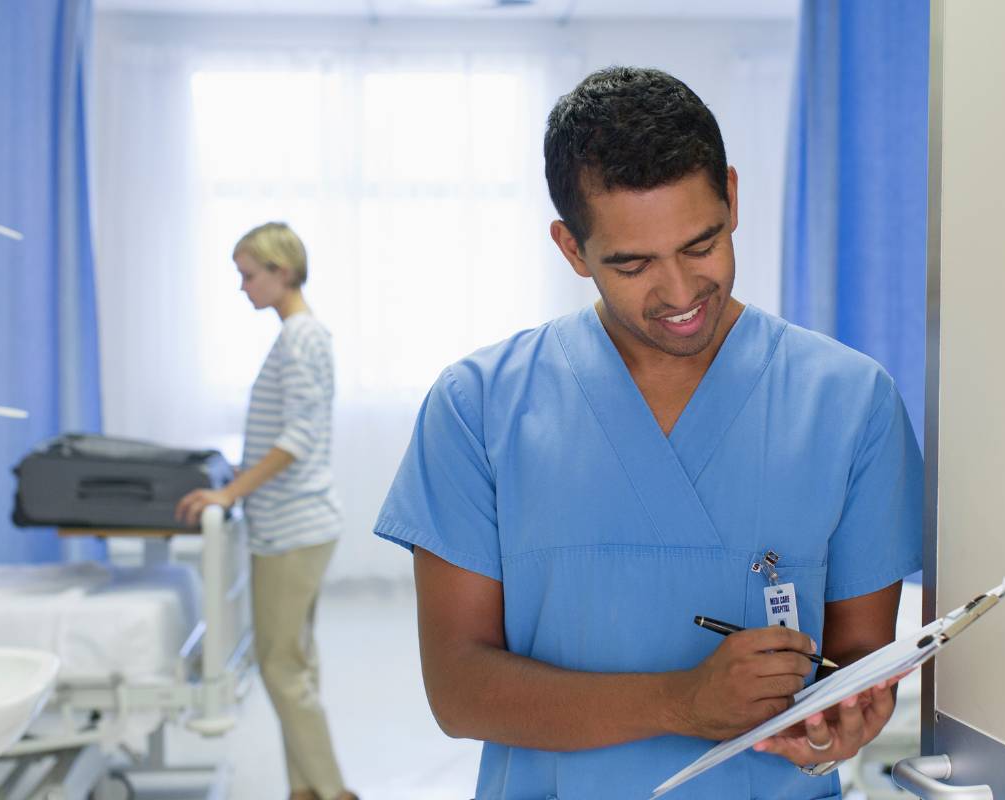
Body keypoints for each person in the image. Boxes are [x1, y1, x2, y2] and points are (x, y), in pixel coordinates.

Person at [373, 67, 922, 799]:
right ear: (572, 249)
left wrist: (836, 725)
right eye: (632, 264)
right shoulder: (477, 408)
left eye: (702, 244)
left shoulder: (851, 403)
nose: (680, 293)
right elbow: (459, 689)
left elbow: (855, 666)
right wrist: (680, 703)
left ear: (732, 197)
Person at [176, 222, 357, 800]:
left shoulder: (302, 337)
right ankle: (305, 789)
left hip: (292, 528)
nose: (242, 287)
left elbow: (299, 434)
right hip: (298, 522)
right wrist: (239, 476)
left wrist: (231, 494)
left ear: (282, 272)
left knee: (280, 668)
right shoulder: (297, 335)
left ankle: (330, 791)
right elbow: (289, 430)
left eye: (249, 275)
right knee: (294, 665)